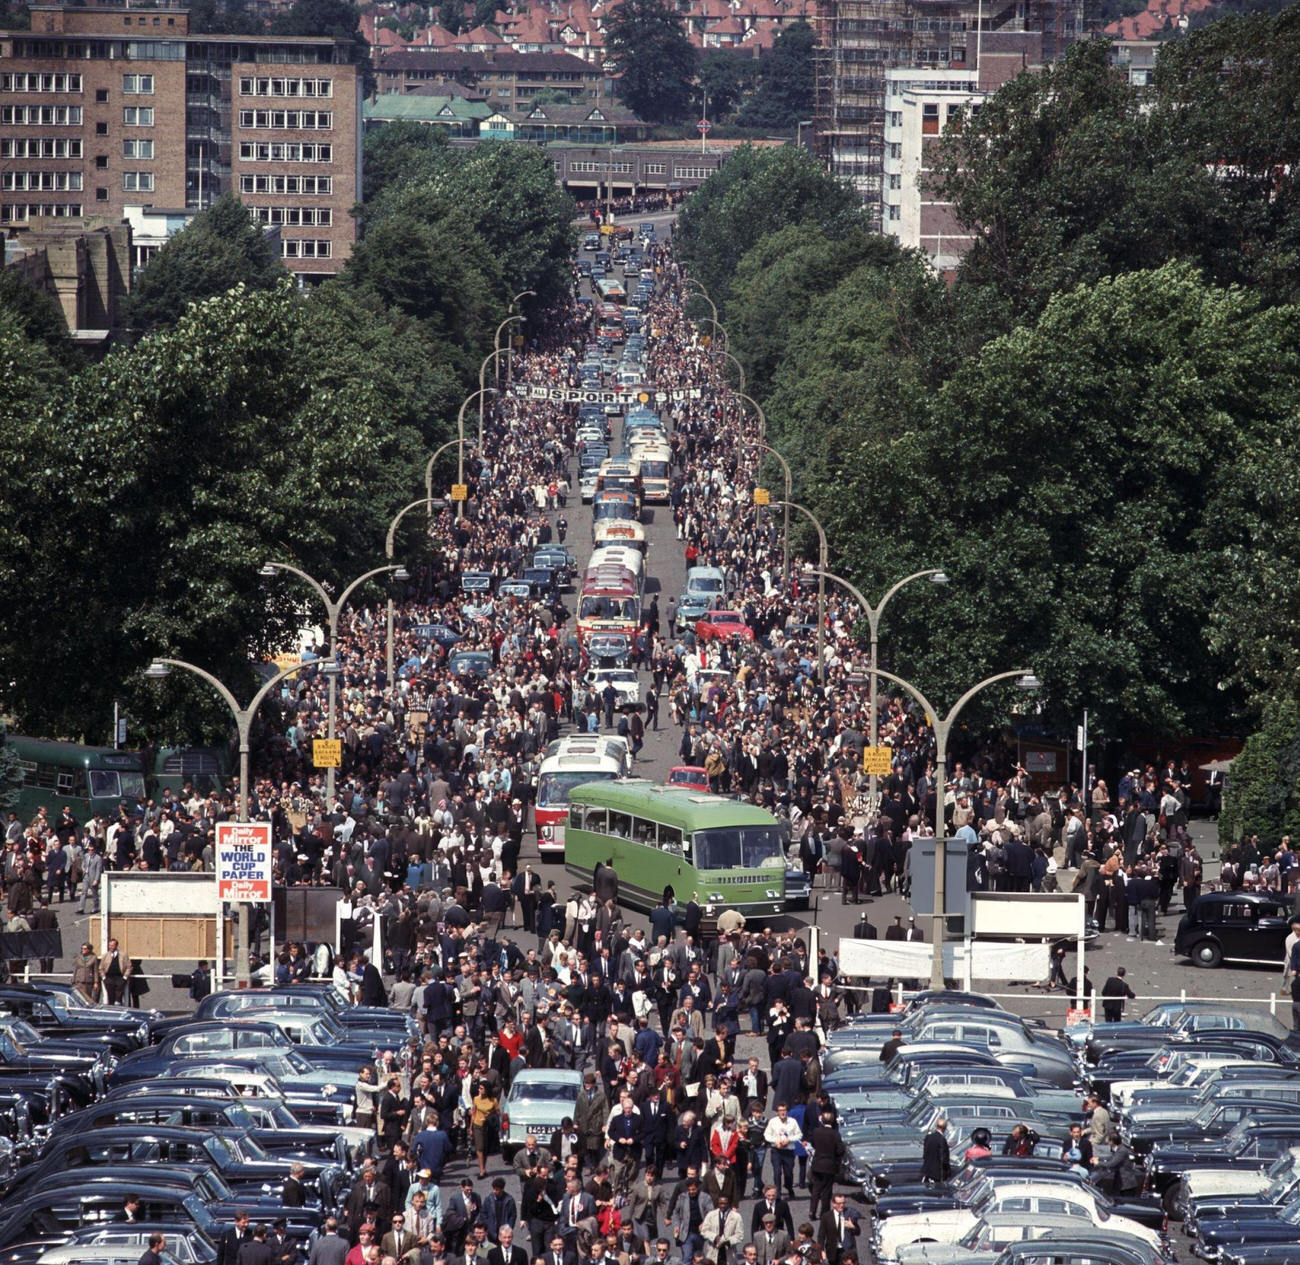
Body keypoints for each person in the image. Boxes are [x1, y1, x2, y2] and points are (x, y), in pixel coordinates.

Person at [815, 1195, 858, 1265]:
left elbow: (858, 1232)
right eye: (839, 1203)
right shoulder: (826, 1217)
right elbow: (821, 1236)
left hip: (847, 1250)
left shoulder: (849, 1214)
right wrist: (821, 1250)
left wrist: (853, 1227)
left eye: (843, 1203)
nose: (842, 1205)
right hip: (833, 1251)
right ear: (833, 1204)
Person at [100, 936, 132, 1005]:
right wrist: (104, 978)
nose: (110, 947)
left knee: (119, 998)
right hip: (108, 978)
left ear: (116, 945)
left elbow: (129, 967)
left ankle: (119, 1009)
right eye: (109, 945)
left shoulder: (123, 955)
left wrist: (125, 977)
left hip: (120, 978)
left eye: (112, 945)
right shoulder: (105, 955)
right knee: (110, 997)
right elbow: (101, 968)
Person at [920, 1117, 950, 1184]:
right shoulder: (942, 1140)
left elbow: (925, 1155)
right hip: (937, 1174)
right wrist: (947, 1172)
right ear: (945, 1128)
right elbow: (944, 1159)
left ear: (936, 1126)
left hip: (927, 1171)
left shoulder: (928, 1137)